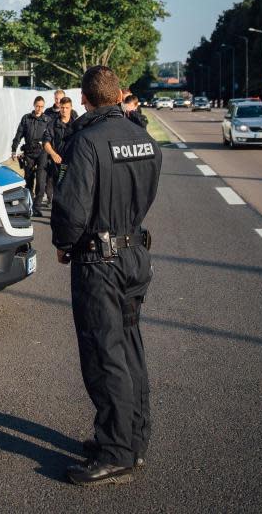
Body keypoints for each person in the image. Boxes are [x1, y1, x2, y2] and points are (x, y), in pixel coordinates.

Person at [50, 66, 162, 487]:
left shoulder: (87, 142)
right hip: (135, 254)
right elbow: (147, 194)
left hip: (99, 262)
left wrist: (64, 241)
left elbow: (72, 207)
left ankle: (115, 454)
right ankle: (132, 439)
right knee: (130, 345)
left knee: (104, 353)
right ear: (118, 96)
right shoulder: (145, 140)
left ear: (85, 99)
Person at [11, 96, 50, 216]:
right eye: (37, 106)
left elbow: (51, 137)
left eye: (42, 106)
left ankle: (37, 208)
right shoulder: (26, 118)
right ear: (34, 105)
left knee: (41, 180)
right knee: (28, 180)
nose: (39, 108)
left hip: (42, 152)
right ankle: (29, 205)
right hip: (29, 152)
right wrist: (14, 149)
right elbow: (19, 134)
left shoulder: (47, 120)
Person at [43, 96, 78, 204]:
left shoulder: (77, 124)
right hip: (57, 162)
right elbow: (46, 142)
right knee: (58, 190)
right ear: (59, 107)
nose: (64, 110)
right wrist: (53, 154)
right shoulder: (52, 124)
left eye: (67, 108)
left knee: (72, 190)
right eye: (62, 107)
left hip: (73, 162)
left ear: (71, 108)